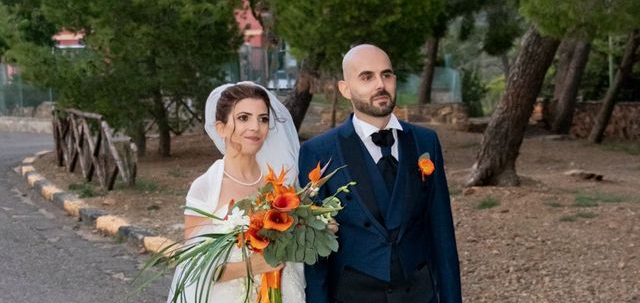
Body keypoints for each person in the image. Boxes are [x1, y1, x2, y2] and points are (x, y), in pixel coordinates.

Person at [299, 44, 462, 303]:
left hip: (420, 293)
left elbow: (441, 231)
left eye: (386, 75)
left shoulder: (425, 142)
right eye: (367, 77)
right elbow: (315, 253)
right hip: (354, 294)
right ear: (345, 88)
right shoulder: (318, 152)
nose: (380, 84)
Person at [167, 82, 306, 302]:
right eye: (243, 118)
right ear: (220, 128)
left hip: (282, 290)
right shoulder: (206, 187)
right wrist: (252, 266)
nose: (255, 127)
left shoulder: (280, 184)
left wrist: (316, 230)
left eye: (263, 119)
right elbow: (194, 267)